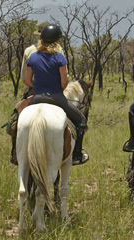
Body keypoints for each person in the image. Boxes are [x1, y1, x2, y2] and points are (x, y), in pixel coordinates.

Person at [24, 24, 89, 165]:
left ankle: (17, 154)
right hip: (57, 97)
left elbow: (27, 80)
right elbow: (64, 82)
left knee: (17, 120)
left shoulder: (33, 57)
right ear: (56, 41)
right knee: (81, 120)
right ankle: (77, 155)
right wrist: (56, 88)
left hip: (37, 97)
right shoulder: (59, 58)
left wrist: (38, 87)